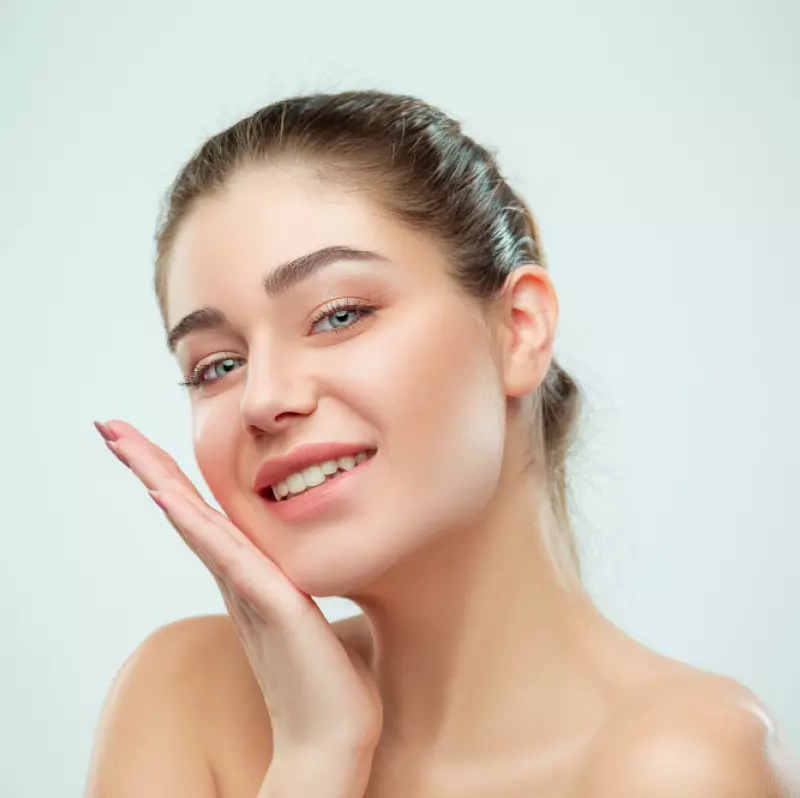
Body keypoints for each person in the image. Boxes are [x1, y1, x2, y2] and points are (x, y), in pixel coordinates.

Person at [84, 90, 799, 798]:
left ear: (518, 329)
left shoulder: (680, 764)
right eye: (218, 365)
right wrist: (316, 757)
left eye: (338, 315)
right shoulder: (186, 699)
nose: (263, 398)